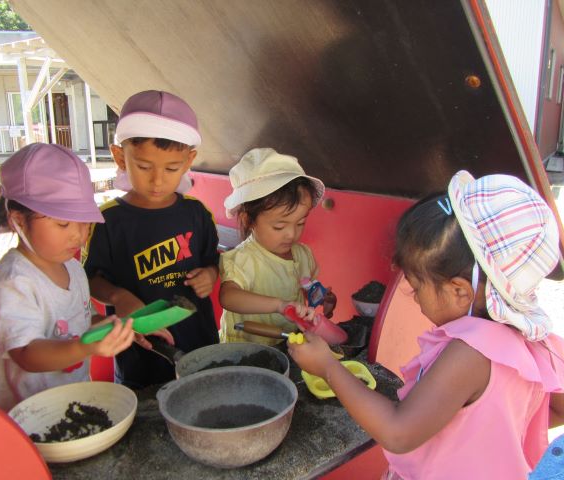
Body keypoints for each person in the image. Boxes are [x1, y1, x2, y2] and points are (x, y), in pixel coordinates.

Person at [289, 170, 564, 479]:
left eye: (417, 285)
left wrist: (328, 367)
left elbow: (398, 432)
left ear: (460, 291)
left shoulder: (470, 353)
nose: (414, 295)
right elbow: (556, 408)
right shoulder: (535, 341)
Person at [0, 143, 149, 412]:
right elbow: (26, 354)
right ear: (18, 221)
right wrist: (84, 347)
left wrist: (120, 328)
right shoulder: (13, 282)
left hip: (72, 405)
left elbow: (83, 319)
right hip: (28, 418)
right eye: (63, 223)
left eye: (84, 222)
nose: (78, 235)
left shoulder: (71, 266)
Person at [83, 90, 220, 387]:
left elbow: (213, 260)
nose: (157, 180)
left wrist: (210, 274)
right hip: (140, 356)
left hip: (199, 347)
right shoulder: (107, 221)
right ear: (120, 157)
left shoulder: (197, 213)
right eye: (144, 167)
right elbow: (90, 279)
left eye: (171, 168)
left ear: (189, 160)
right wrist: (117, 296)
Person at [219, 148, 336, 345]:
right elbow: (228, 297)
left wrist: (322, 299)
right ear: (249, 220)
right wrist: (279, 305)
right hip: (246, 351)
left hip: (289, 344)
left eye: (300, 223)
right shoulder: (244, 259)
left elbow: (305, 288)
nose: (291, 234)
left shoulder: (303, 255)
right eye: (279, 226)